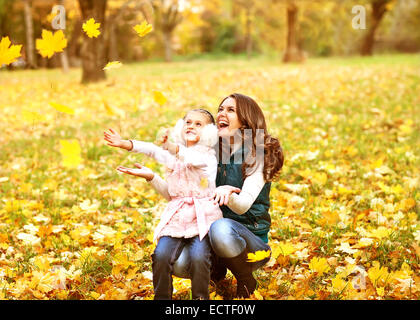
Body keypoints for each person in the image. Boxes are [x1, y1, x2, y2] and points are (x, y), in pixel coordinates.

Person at [120, 93, 284, 299]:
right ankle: (216, 271)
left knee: (220, 229)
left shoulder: (257, 155)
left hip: (248, 242)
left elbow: (242, 206)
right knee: (178, 263)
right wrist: (151, 177)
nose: (222, 114)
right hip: (209, 235)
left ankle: (245, 278)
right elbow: (178, 194)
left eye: (230, 110)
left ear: (245, 121)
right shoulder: (209, 153)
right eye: (221, 109)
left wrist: (225, 193)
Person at [103, 108, 223, 300]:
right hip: (177, 219)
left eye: (198, 124)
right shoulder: (173, 157)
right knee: (161, 256)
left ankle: (201, 298)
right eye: (188, 122)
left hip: (203, 220)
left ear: (209, 132)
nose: (191, 126)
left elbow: (192, 159)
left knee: (199, 258)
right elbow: (153, 153)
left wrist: (171, 147)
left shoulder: (208, 156)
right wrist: (126, 145)